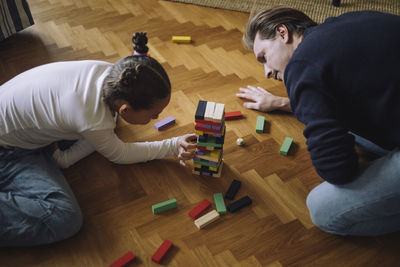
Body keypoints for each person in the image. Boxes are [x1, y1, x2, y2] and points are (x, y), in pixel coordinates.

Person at [0, 32, 197, 247]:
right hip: (7, 150)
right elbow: (120, 154)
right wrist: (172, 145)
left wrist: (64, 155)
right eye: (153, 115)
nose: (155, 119)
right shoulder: (93, 119)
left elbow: (95, 130)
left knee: (109, 126)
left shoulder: (110, 73)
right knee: (64, 218)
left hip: (19, 125)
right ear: (125, 108)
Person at [237, 7, 400, 236]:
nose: (266, 72)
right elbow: (344, 91)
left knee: (322, 210)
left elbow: (339, 170)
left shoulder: (301, 65)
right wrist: (284, 103)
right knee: (347, 114)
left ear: (283, 33)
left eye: (263, 57)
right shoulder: (348, 21)